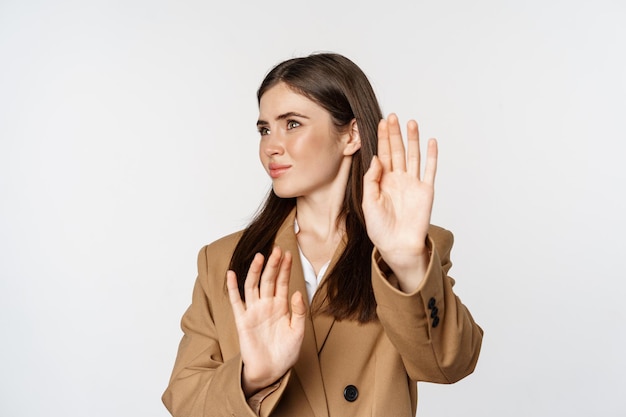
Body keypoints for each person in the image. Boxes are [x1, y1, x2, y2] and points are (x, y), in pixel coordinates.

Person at [162, 52, 483, 417]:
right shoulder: (224, 260)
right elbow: (184, 399)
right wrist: (252, 377)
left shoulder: (412, 248)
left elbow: (451, 365)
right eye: (265, 129)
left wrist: (407, 261)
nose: (271, 146)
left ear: (352, 135)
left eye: (293, 124)